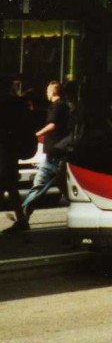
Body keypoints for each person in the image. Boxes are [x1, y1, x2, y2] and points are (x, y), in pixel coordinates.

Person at [19, 80, 71, 221]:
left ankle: (22, 215)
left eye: (48, 91)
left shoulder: (59, 106)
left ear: (53, 91)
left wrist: (36, 135)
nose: (46, 93)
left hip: (55, 154)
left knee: (39, 186)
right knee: (64, 188)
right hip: (56, 154)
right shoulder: (59, 106)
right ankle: (23, 216)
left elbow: (52, 125)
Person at [1, 79, 36, 234]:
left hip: (5, 150)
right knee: (9, 185)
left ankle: (21, 220)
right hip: (11, 150)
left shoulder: (8, 103)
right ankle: (21, 219)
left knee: (7, 183)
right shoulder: (17, 103)